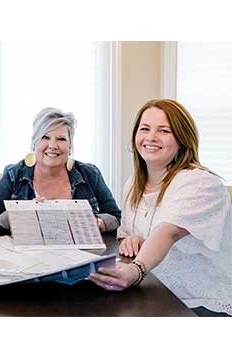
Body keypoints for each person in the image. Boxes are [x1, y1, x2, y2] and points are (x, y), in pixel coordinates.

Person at [89, 99, 232, 316]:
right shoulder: (134, 184)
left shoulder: (200, 183)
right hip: (156, 291)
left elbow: (169, 232)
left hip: (201, 302)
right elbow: (127, 232)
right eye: (144, 129)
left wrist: (135, 271)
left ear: (182, 140)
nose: (151, 137)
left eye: (164, 130)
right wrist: (131, 239)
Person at [0, 107, 121, 236]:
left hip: (81, 254)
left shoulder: (90, 174)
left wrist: (98, 222)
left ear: (70, 146)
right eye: (45, 137)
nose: (53, 146)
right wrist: (15, 215)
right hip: (28, 256)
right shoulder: (13, 174)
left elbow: (116, 217)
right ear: (34, 143)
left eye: (61, 139)